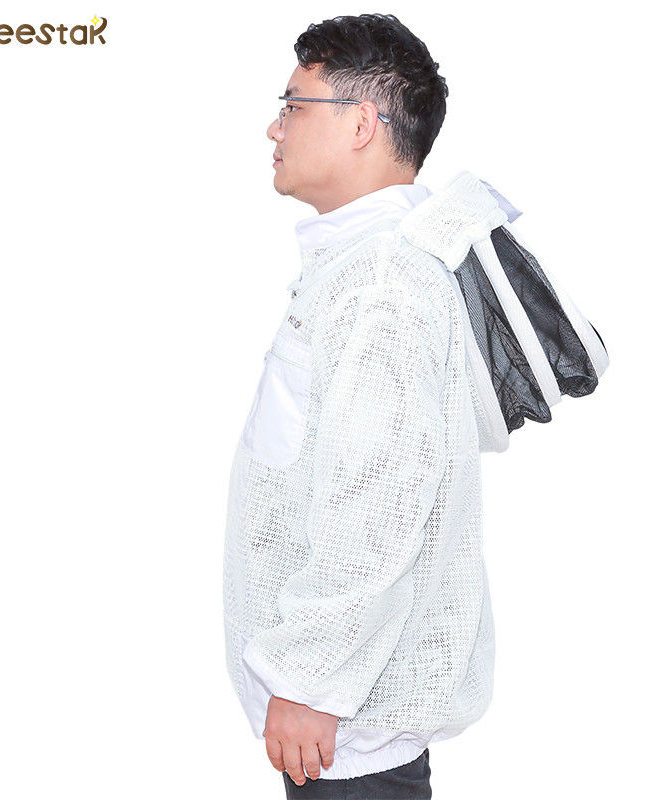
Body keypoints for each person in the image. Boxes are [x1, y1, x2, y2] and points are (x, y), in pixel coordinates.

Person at [222, 13, 608, 800]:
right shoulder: (361, 265)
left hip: (344, 727)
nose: (274, 127)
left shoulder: (383, 283)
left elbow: (379, 502)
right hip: (341, 719)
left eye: (293, 105)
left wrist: (308, 681)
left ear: (362, 123)